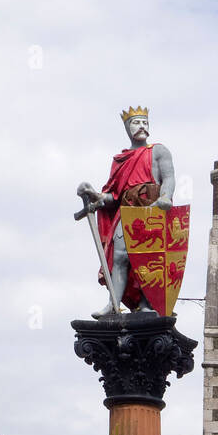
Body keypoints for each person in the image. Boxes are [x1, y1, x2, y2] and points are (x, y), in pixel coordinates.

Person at [76, 106, 175, 317]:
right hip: (128, 211)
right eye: (136, 123)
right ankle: (114, 303)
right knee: (120, 257)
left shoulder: (158, 151)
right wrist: (94, 194)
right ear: (127, 128)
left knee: (150, 258)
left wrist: (166, 196)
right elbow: (114, 196)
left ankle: (148, 303)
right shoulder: (120, 160)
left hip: (151, 208)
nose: (141, 127)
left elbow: (168, 177)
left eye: (145, 123)